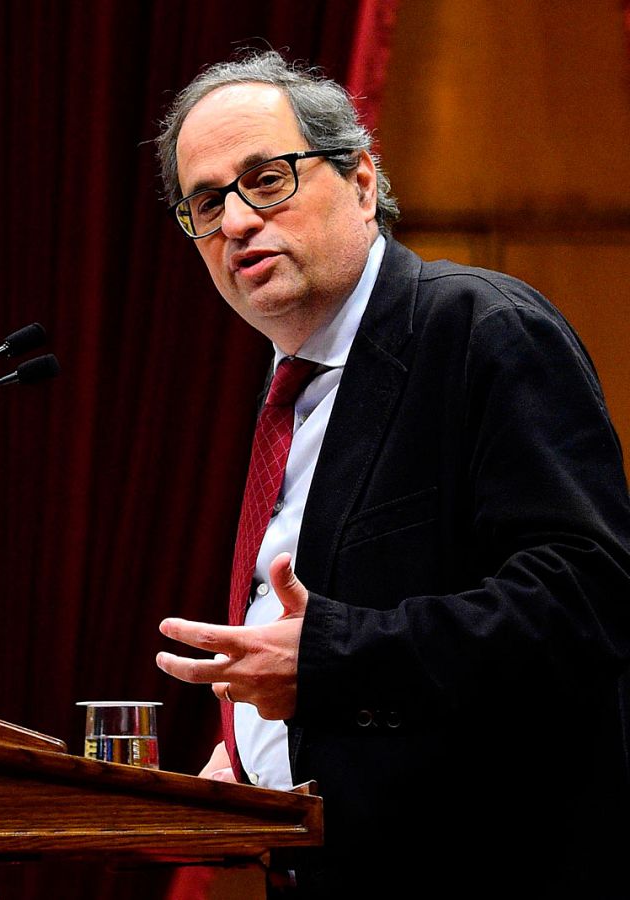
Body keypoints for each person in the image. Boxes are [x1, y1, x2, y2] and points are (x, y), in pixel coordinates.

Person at [150, 51, 630, 896]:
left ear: (362, 180)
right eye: (206, 201)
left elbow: (585, 600)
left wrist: (334, 661)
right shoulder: (278, 390)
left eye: (266, 180)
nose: (234, 222)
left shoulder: (479, 329)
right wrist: (252, 750)